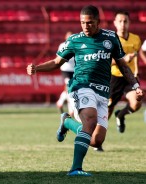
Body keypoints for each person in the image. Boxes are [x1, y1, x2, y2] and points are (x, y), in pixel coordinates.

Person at [26, 5, 144, 176]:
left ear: (98, 22)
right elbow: (57, 61)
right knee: (90, 120)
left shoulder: (110, 38)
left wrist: (135, 86)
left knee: (96, 140)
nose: (86, 26)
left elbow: (123, 66)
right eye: (82, 23)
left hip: (103, 92)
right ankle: (75, 169)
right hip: (81, 86)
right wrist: (37, 68)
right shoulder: (75, 40)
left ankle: (67, 121)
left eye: (89, 23)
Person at [108, 10, 143, 135]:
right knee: (107, 109)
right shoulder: (110, 40)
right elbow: (105, 60)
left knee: (137, 103)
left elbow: (136, 57)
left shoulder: (136, 39)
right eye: (120, 21)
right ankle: (98, 140)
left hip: (130, 77)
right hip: (114, 77)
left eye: (125, 21)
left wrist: (137, 71)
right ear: (115, 23)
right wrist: (122, 60)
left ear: (129, 23)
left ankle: (121, 115)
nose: (123, 24)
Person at [56, 31, 75, 116]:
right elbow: (59, 57)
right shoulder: (62, 46)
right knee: (69, 86)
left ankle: (60, 102)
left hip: (74, 69)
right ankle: (71, 108)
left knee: (73, 88)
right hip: (65, 69)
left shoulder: (76, 46)